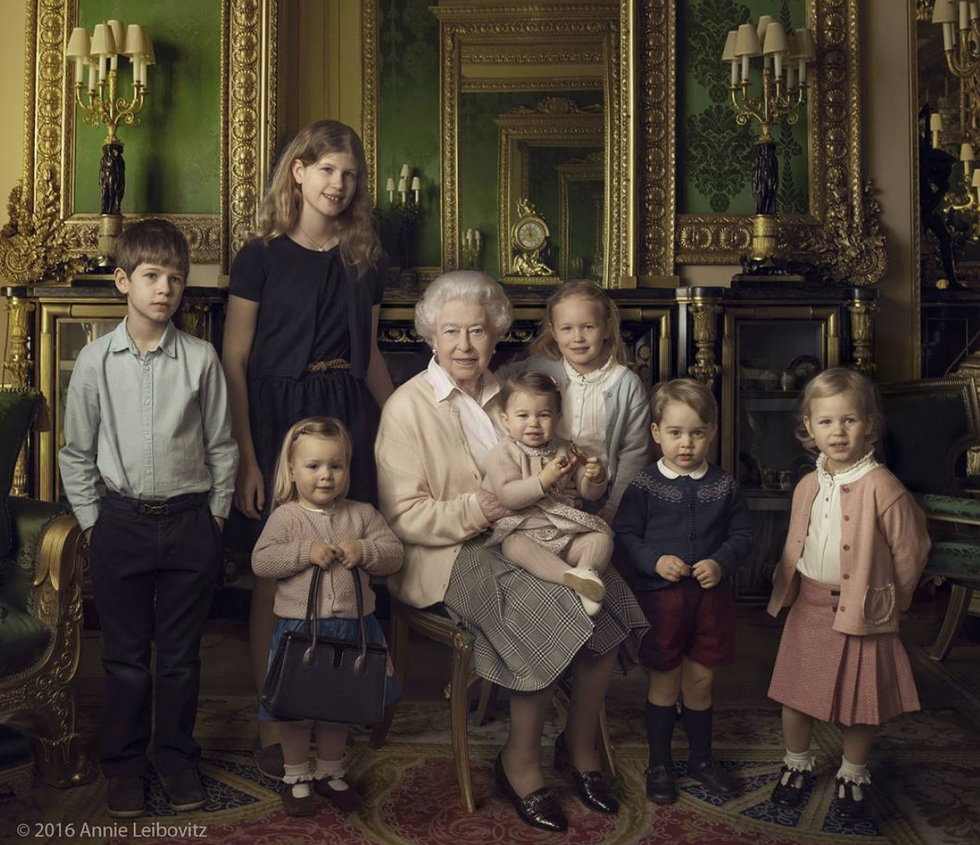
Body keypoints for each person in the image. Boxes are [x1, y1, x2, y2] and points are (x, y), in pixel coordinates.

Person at [376, 271, 648, 833]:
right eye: (451, 331)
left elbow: (555, 478)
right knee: (547, 605)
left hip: (530, 534)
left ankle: (579, 748)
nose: (464, 345)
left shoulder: (516, 393)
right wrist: (485, 509)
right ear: (431, 336)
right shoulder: (407, 408)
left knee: (610, 596)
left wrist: (580, 480)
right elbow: (405, 518)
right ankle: (519, 761)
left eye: (477, 330)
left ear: (496, 334)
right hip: (449, 552)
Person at [221, 120, 394, 776]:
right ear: (297, 171)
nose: (338, 184)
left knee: (350, 564)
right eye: (326, 170)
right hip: (275, 418)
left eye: (349, 174)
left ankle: (343, 704)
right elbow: (235, 358)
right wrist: (247, 453)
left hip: (346, 412)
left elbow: (371, 353)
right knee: (280, 572)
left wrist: (400, 418)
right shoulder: (259, 255)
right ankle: (278, 719)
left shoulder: (363, 258)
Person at [59, 219, 239, 819]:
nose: (165, 289)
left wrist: (215, 519)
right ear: (123, 281)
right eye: (152, 276)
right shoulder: (93, 363)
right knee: (126, 658)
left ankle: (176, 758)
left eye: (176, 279)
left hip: (190, 523)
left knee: (182, 657)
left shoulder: (201, 359)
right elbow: (76, 453)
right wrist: (92, 523)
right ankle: (125, 766)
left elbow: (220, 446)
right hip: (120, 525)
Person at [767, 368, 931, 820]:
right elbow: (798, 541)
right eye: (826, 422)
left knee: (861, 703)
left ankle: (853, 771)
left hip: (864, 611)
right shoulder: (807, 484)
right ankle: (796, 764)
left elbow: (912, 549)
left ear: (870, 425)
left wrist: (890, 600)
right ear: (808, 427)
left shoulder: (883, 486)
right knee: (795, 695)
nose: (837, 431)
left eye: (849, 420)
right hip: (811, 604)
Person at [252, 417, 402, 817]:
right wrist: (304, 552)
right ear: (291, 470)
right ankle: (297, 775)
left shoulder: (363, 514)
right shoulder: (286, 518)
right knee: (297, 709)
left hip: (354, 630)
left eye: (336, 466)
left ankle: (331, 772)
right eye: (314, 466)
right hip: (300, 631)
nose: (326, 476)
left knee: (341, 707)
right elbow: (262, 562)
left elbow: (394, 554)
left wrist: (365, 551)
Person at [613, 378, 752, 805]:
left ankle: (701, 759)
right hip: (662, 602)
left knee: (702, 682)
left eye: (696, 432)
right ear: (656, 433)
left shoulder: (724, 485)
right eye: (675, 433)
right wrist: (654, 560)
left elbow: (744, 534)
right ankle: (659, 762)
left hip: (710, 603)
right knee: (664, 683)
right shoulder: (644, 485)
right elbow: (624, 535)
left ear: (711, 431)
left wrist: (721, 561)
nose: (686, 444)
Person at [497, 280, 651, 524]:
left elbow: (634, 454)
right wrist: (507, 422)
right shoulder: (541, 368)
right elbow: (499, 380)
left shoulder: (626, 385)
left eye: (588, 326)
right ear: (553, 331)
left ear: (607, 328)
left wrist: (614, 506)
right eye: (567, 328)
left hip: (600, 493)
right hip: (543, 485)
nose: (577, 337)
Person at [483, 371, 613, 615]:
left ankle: (586, 571)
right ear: (505, 420)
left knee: (601, 538)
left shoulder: (566, 448)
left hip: (565, 530)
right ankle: (571, 579)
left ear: (558, 417)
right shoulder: (503, 453)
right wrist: (543, 479)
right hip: (525, 529)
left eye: (543, 415)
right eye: (523, 415)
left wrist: (595, 478)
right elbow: (508, 496)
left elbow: (588, 494)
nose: (533, 423)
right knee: (513, 546)